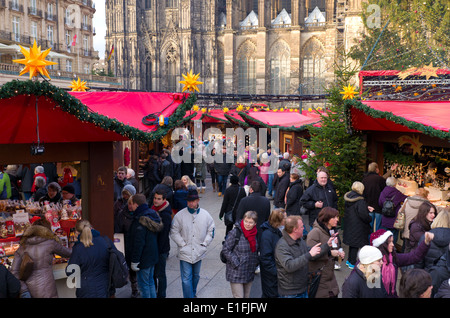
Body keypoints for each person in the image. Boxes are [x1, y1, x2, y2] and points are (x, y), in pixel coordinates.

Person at [274, 215, 335, 298]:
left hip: (302, 288)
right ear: (295, 229)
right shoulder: (282, 246)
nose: (304, 228)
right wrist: (309, 254)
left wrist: (327, 245)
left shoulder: (299, 240)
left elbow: (311, 253)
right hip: (290, 293)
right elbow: (289, 266)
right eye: (302, 226)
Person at [170, 187, 215, 298]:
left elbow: (211, 230)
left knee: (196, 276)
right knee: (186, 279)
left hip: (199, 250)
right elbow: (174, 231)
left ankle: (192, 293)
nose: (191, 203)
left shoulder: (205, 215)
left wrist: (205, 243)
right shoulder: (179, 215)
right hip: (185, 251)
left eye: (193, 201)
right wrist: (182, 244)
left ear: (197, 201)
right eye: (189, 201)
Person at [11, 218, 71, 298]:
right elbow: (69, 253)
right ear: (47, 230)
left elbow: (14, 272)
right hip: (47, 289)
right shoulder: (50, 243)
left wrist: (24, 290)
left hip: (28, 289)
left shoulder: (22, 247)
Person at [370, 228, 434, 297]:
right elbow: (370, 289)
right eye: (389, 242)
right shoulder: (371, 262)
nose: (393, 245)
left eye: (392, 241)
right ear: (381, 245)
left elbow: (414, 256)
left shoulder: (394, 258)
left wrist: (426, 242)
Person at [66, 219, 115, 298]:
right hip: (105, 286)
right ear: (91, 228)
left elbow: (70, 272)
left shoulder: (78, 248)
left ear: (77, 232)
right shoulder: (106, 241)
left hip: (86, 290)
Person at [128, 193, 162, 298]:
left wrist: (134, 261)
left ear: (136, 204)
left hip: (143, 259)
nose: (130, 206)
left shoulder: (140, 219)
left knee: (143, 286)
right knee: (150, 282)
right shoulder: (152, 214)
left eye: (132, 203)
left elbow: (139, 243)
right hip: (152, 256)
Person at [306, 207, 344, 298]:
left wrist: (339, 254)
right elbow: (311, 256)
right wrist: (330, 253)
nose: (337, 219)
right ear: (326, 218)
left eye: (337, 217)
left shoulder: (333, 231)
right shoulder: (315, 233)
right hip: (319, 278)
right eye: (334, 217)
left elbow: (335, 249)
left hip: (330, 277)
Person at [222, 211, 259, 298]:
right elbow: (226, 249)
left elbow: (255, 251)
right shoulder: (235, 233)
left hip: (249, 271)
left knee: (247, 296)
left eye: (250, 222)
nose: (248, 224)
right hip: (236, 272)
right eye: (246, 221)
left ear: (255, 223)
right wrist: (236, 263)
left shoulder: (255, 233)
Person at [114, 184, 138, 297]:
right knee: (130, 266)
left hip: (137, 243)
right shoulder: (121, 213)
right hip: (127, 243)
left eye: (131, 203)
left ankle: (138, 287)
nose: (129, 205)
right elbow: (118, 227)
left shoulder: (140, 214)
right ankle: (134, 288)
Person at [343, 181, 373, 269]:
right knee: (359, 244)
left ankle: (349, 260)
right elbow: (363, 215)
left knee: (352, 244)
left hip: (350, 224)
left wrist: (366, 208)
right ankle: (353, 262)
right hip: (359, 226)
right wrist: (370, 217)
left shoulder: (348, 198)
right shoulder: (360, 201)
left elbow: (354, 210)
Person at [362, 162, 397, 232]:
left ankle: (370, 242)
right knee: (379, 229)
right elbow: (385, 189)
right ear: (376, 169)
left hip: (368, 207)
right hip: (379, 207)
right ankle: (377, 242)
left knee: (369, 228)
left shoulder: (364, 179)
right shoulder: (379, 179)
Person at [259, 208, 286, 298]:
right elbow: (265, 258)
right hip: (270, 275)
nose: (286, 220)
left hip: (274, 273)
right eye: (284, 218)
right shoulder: (267, 234)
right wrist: (276, 272)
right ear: (279, 220)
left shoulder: (275, 230)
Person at [151, 189, 172, 298]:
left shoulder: (165, 214)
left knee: (160, 274)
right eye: (155, 198)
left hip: (161, 249)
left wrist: (158, 250)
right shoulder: (153, 209)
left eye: (159, 199)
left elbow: (164, 235)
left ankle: (161, 295)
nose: (156, 200)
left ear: (164, 200)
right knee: (153, 273)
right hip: (152, 247)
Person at [378, 177, 408, 245]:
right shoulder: (397, 193)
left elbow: (380, 203)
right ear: (395, 184)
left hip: (385, 218)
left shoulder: (383, 192)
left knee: (384, 236)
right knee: (393, 236)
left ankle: (385, 250)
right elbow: (406, 198)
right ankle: (391, 251)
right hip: (394, 218)